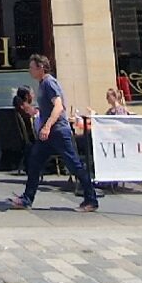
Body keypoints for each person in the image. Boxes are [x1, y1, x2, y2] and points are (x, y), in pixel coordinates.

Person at [9, 55, 97, 212]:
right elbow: (48, 109)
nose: (29, 70)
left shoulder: (49, 83)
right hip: (48, 135)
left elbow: (58, 106)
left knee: (74, 165)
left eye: (31, 67)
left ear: (41, 68)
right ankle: (27, 199)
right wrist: (35, 111)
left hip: (58, 132)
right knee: (34, 162)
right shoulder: (42, 84)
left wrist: (47, 126)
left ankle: (91, 199)